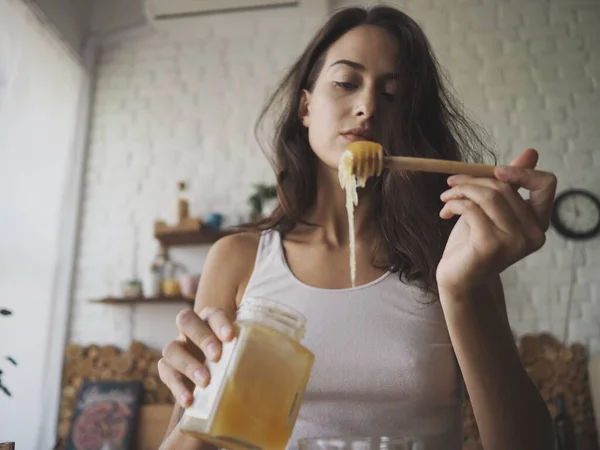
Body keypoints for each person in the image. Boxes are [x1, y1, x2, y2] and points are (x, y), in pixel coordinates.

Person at [159, 5, 557, 450]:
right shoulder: (236, 258)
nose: (367, 106)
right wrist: (201, 395)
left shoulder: (456, 257)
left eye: (392, 95)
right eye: (346, 83)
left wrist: (461, 290)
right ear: (306, 106)